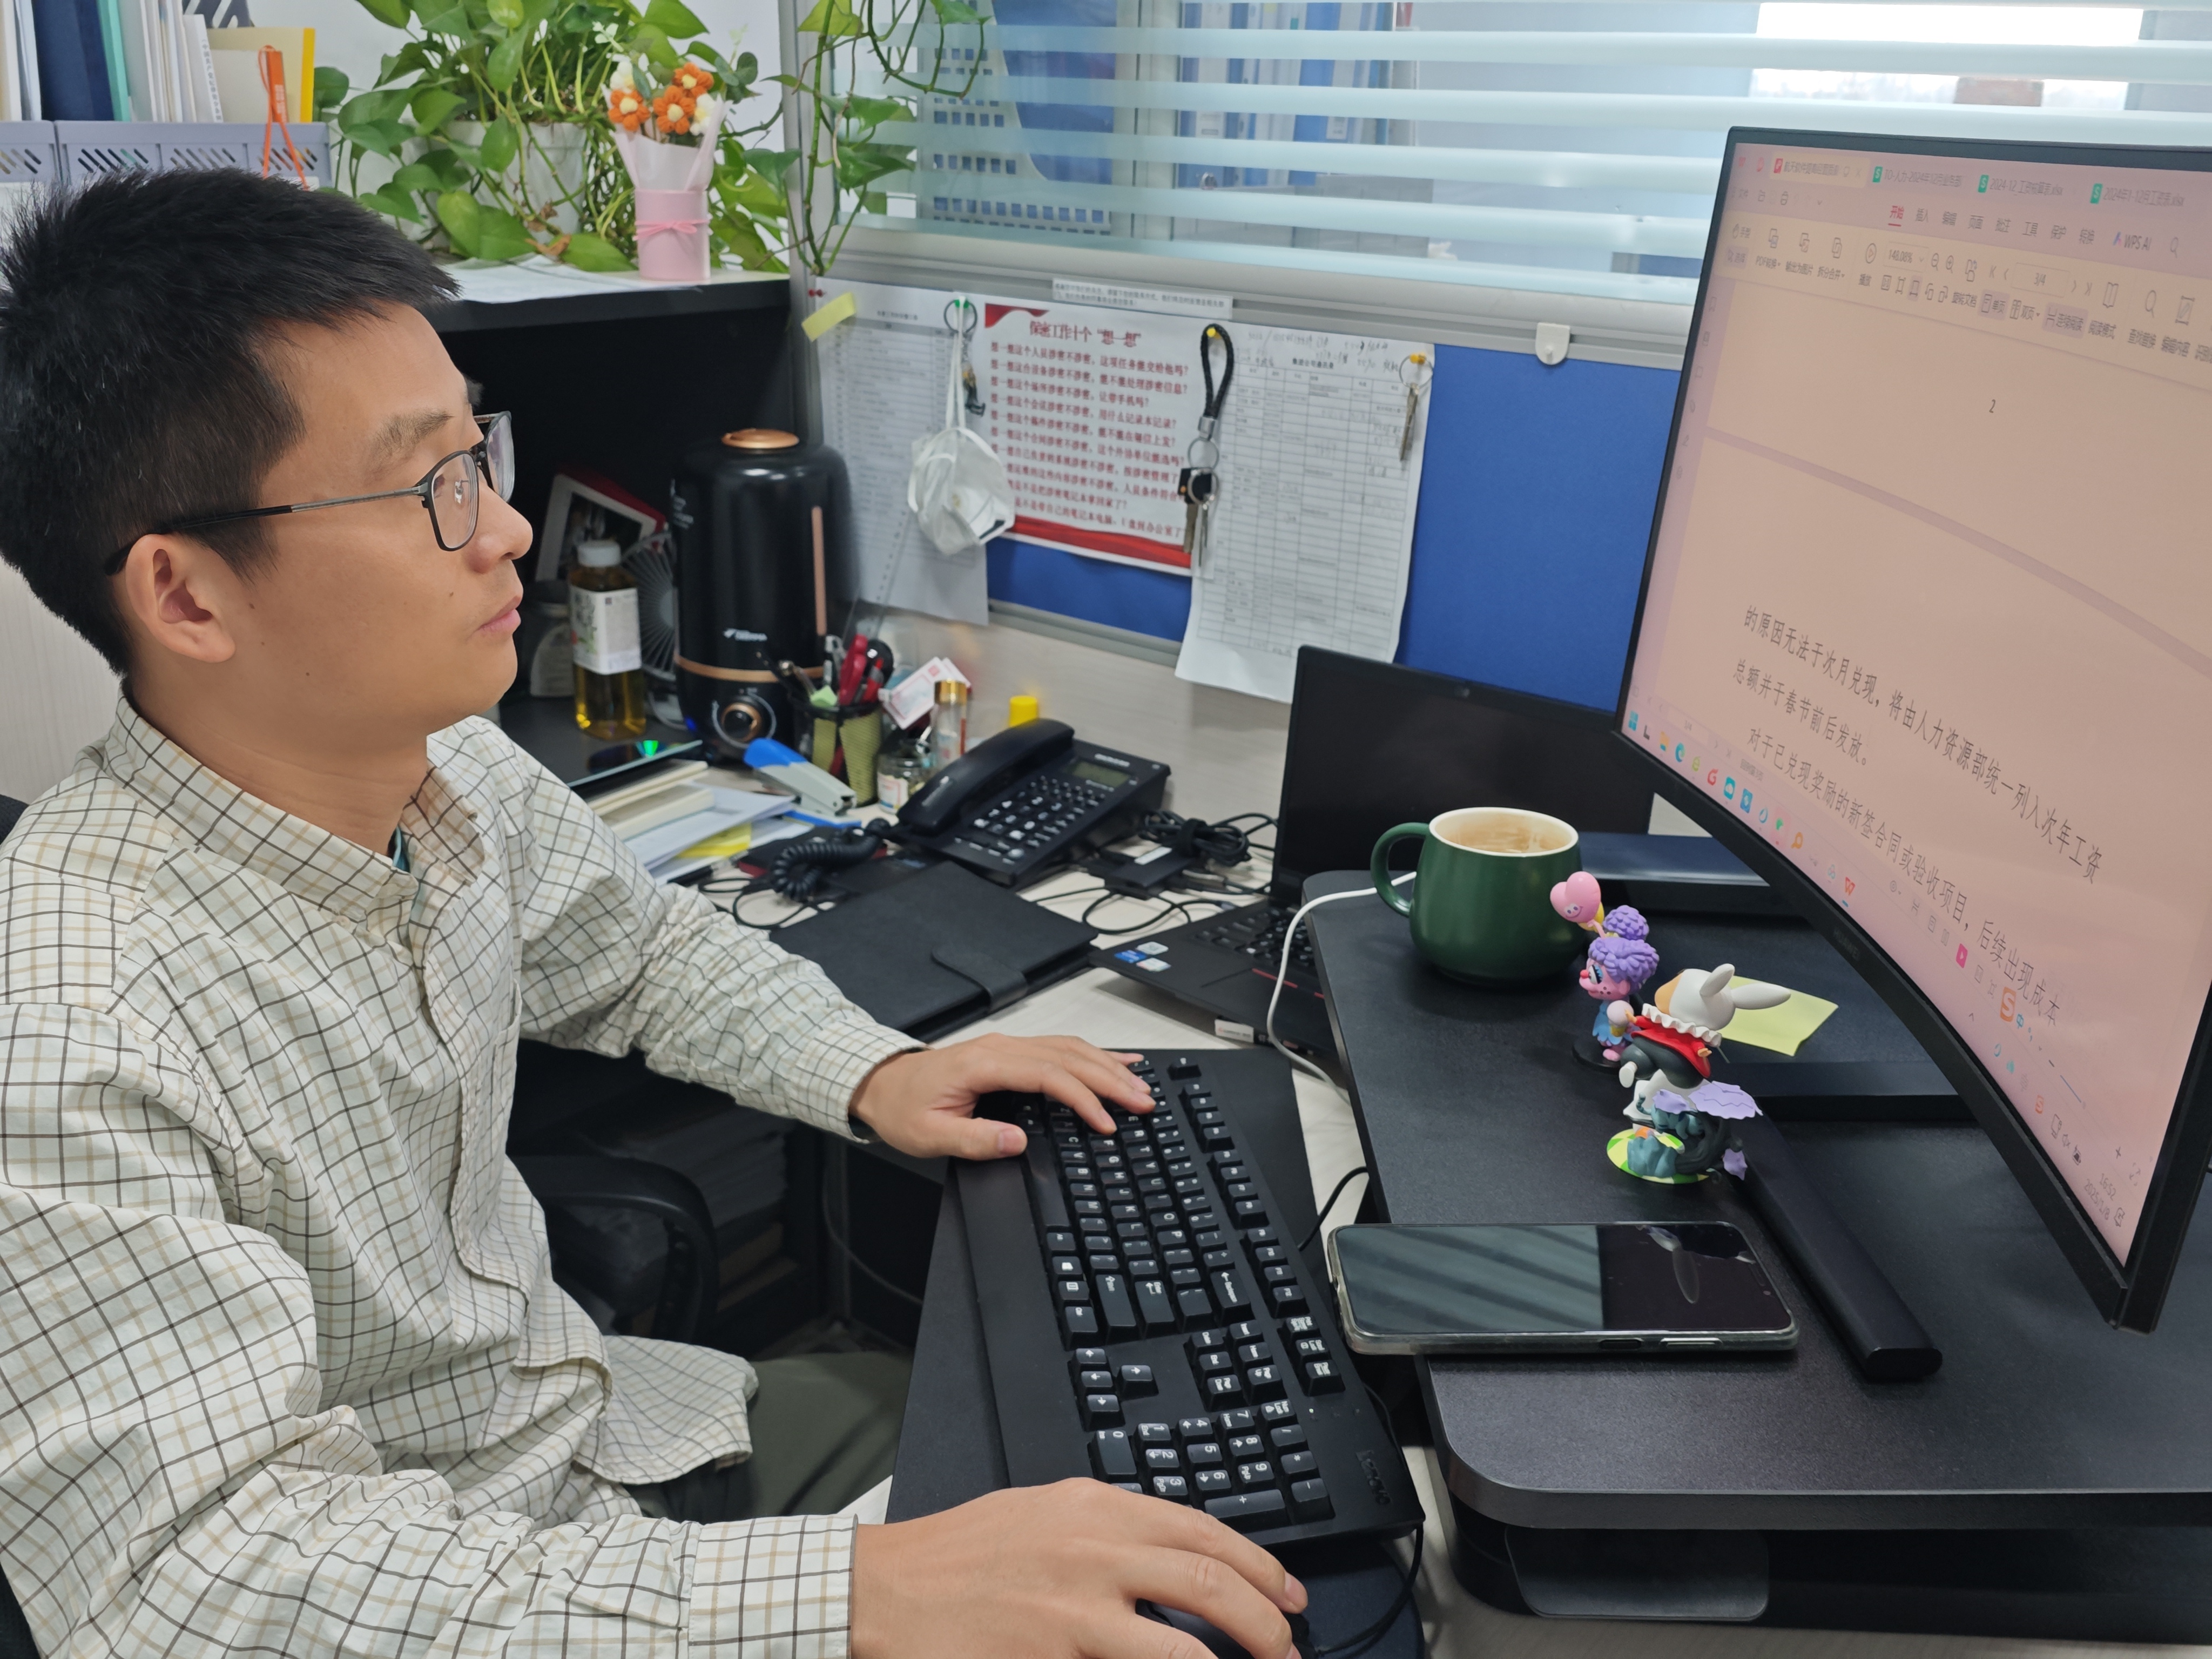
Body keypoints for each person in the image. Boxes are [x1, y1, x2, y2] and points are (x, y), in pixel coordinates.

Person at [0, 171, 1306, 1658]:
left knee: (1126, 1471)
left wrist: (875, 1071)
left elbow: (642, 954)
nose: (507, 529)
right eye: (430, 487)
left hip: (609, 1442)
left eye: (479, 456)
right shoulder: (65, 1033)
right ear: (184, 597)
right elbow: (202, 1583)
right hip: (460, 1587)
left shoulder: (452, 770)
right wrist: (857, 1598)